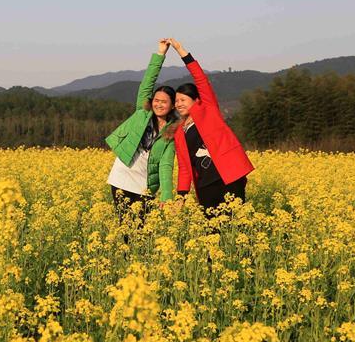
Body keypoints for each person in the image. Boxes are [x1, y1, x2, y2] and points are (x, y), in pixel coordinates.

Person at [167, 39, 254, 211]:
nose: (178, 104)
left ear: (196, 100)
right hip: (204, 186)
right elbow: (184, 167)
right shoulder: (179, 132)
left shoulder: (208, 111)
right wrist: (181, 196)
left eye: (183, 100)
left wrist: (180, 50)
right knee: (211, 232)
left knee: (236, 224)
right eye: (176, 101)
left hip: (229, 177)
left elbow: (201, 80)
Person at [105, 39, 178, 225]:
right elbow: (147, 83)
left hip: (145, 184)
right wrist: (160, 54)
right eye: (157, 100)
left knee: (144, 231)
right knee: (126, 228)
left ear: (171, 106)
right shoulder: (142, 112)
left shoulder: (171, 132)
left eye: (164, 102)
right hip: (122, 177)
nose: (159, 104)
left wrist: (167, 197)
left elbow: (166, 165)